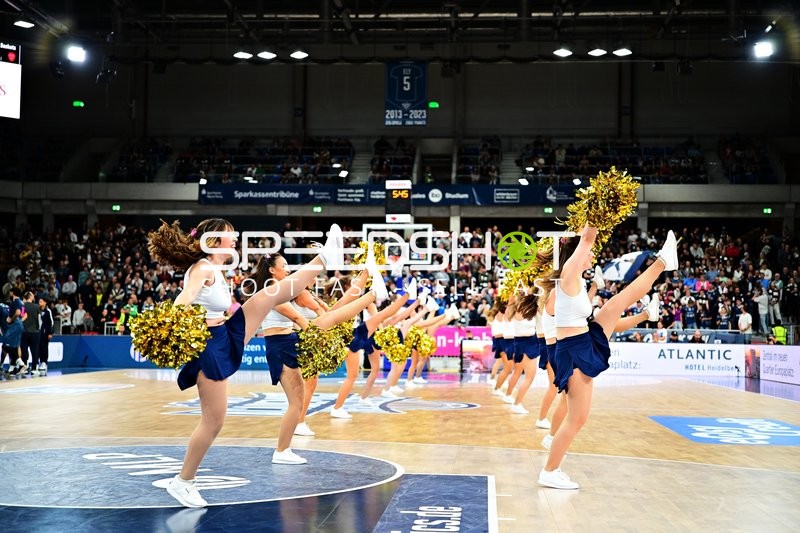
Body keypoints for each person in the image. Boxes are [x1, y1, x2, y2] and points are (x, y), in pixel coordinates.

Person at [147, 218, 343, 508]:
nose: (235, 237)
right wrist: (171, 320)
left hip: (222, 332)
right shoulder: (202, 268)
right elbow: (184, 298)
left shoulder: (215, 268)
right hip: (209, 345)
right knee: (214, 421)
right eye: (230, 234)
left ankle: (325, 257)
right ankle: (183, 481)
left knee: (266, 296)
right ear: (213, 240)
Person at [538, 227, 677, 490]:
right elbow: (588, 238)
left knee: (616, 303)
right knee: (577, 419)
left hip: (582, 338)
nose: (592, 254)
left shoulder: (576, 281)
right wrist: (598, 206)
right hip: (573, 349)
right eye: (588, 252)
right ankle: (550, 470)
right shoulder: (568, 276)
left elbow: (586, 243)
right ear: (575, 255)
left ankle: (662, 261)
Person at [251, 253, 394, 462]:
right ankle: (281, 452)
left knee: (297, 403)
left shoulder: (282, 289)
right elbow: (298, 317)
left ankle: (283, 450)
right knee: (296, 403)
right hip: (281, 346)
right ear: (272, 269)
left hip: (288, 341)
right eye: (284, 266)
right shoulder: (273, 289)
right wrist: (320, 337)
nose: (289, 270)